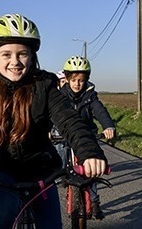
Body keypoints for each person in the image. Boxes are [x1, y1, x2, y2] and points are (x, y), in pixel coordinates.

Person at [0, 14, 108, 229]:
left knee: (51, 224)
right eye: (6, 54)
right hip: (1, 170)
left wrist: (89, 152)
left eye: (22, 54)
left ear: (32, 57)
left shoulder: (44, 85)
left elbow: (69, 120)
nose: (15, 61)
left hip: (41, 171)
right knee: (4, 212)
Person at [58, 55, 116, 220]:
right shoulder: (60, 96)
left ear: (86, 80)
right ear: (67, 79)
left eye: (81, 80)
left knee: (91, 171)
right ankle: (64, 177)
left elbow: (100, 112)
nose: (77, 83)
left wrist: (108, 126)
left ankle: (95, 202)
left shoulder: (90, 96)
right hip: (67, 135)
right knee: (60, 155)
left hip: (88, 136)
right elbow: (52, 115)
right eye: (74, 79)